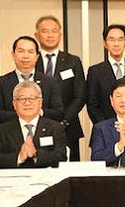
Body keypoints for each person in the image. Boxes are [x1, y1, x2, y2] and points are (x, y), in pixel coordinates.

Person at [33, 15, 86, 160]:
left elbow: (80, 96)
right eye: (45, 31)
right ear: (37, 35)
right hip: (36, 126)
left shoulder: (72, 61)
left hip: (68, 127)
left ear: (60, 34)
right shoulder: (31, 60)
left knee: (70, 170)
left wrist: (64, 121)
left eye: (54, 31)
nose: (50, 35)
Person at [0, 81, 66, 168]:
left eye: (32, 98)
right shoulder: (2, 130)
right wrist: (19, 157)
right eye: (22, 99)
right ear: (14, 104)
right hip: (13, 180)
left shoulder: (55, 128)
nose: (27, 103)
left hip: (46, 179)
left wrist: (36, 155)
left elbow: (61, 157)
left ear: (40, 102)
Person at [0, 36, 64, 124]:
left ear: (37, 56)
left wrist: (38, 112)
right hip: (10, 134)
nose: (25, 56)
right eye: (21, 51)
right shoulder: (2, 82)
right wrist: (24, 115)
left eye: (30, 52)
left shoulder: (50, 82)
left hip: (43, 132)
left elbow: (58, 113)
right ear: (13, 55)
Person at [86, 24, 125, 125]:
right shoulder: (95, 71)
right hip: (105, 128)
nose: (116, 44)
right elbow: (92, 105)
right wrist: (106, 127)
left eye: (120, 39)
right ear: (105, 43)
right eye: (111, 39)